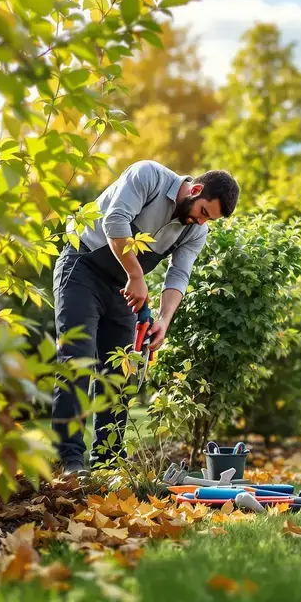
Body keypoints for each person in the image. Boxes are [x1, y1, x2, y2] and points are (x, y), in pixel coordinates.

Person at [51, 159, 239, 476]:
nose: (200, 222)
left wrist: (163, 320)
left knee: (118, 370)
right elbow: (115, 220)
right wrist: (136, 275)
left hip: (122, 286)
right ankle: (69, 461)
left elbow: (178, 275)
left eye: (209, 220)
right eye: (203, 212)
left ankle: (107, 462)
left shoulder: (196, 230)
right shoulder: (148, 175)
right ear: (195, 190)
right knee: (77, 361)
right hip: (83, 265)